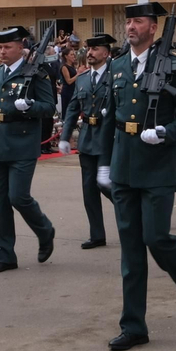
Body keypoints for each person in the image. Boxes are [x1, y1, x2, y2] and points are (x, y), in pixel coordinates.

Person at [94, 4, 176, 351]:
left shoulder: (174, 64)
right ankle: (134, 326)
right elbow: (111, 117)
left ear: (153, 28)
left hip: (157, 167)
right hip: (125, 167)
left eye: (138, 21)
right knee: (131, 253)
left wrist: (166, 133)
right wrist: (104, 164)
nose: (130, 27)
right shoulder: (118, 64)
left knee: (157, 239)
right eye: (128, 21)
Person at [0, 26, 57, 273]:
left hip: (24, 142)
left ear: (21, 47)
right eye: (0, 47)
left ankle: (45, 229)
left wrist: (30, 105)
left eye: (7, 47)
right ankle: (6, 254)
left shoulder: (37, 73)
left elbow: (49, 107)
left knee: (18, 197)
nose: (1, 52)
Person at [58, 33, 116, 249]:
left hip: (109, 139)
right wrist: (65, 137)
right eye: (88, 50)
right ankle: (97, 234)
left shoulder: (116, 76)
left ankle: (131, 220)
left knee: (108, 185)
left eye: (95, 49)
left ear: (106, 53)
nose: (89, 53)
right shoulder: (83, 78)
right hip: (88, 138)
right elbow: (73, 108)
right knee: (89, 189)